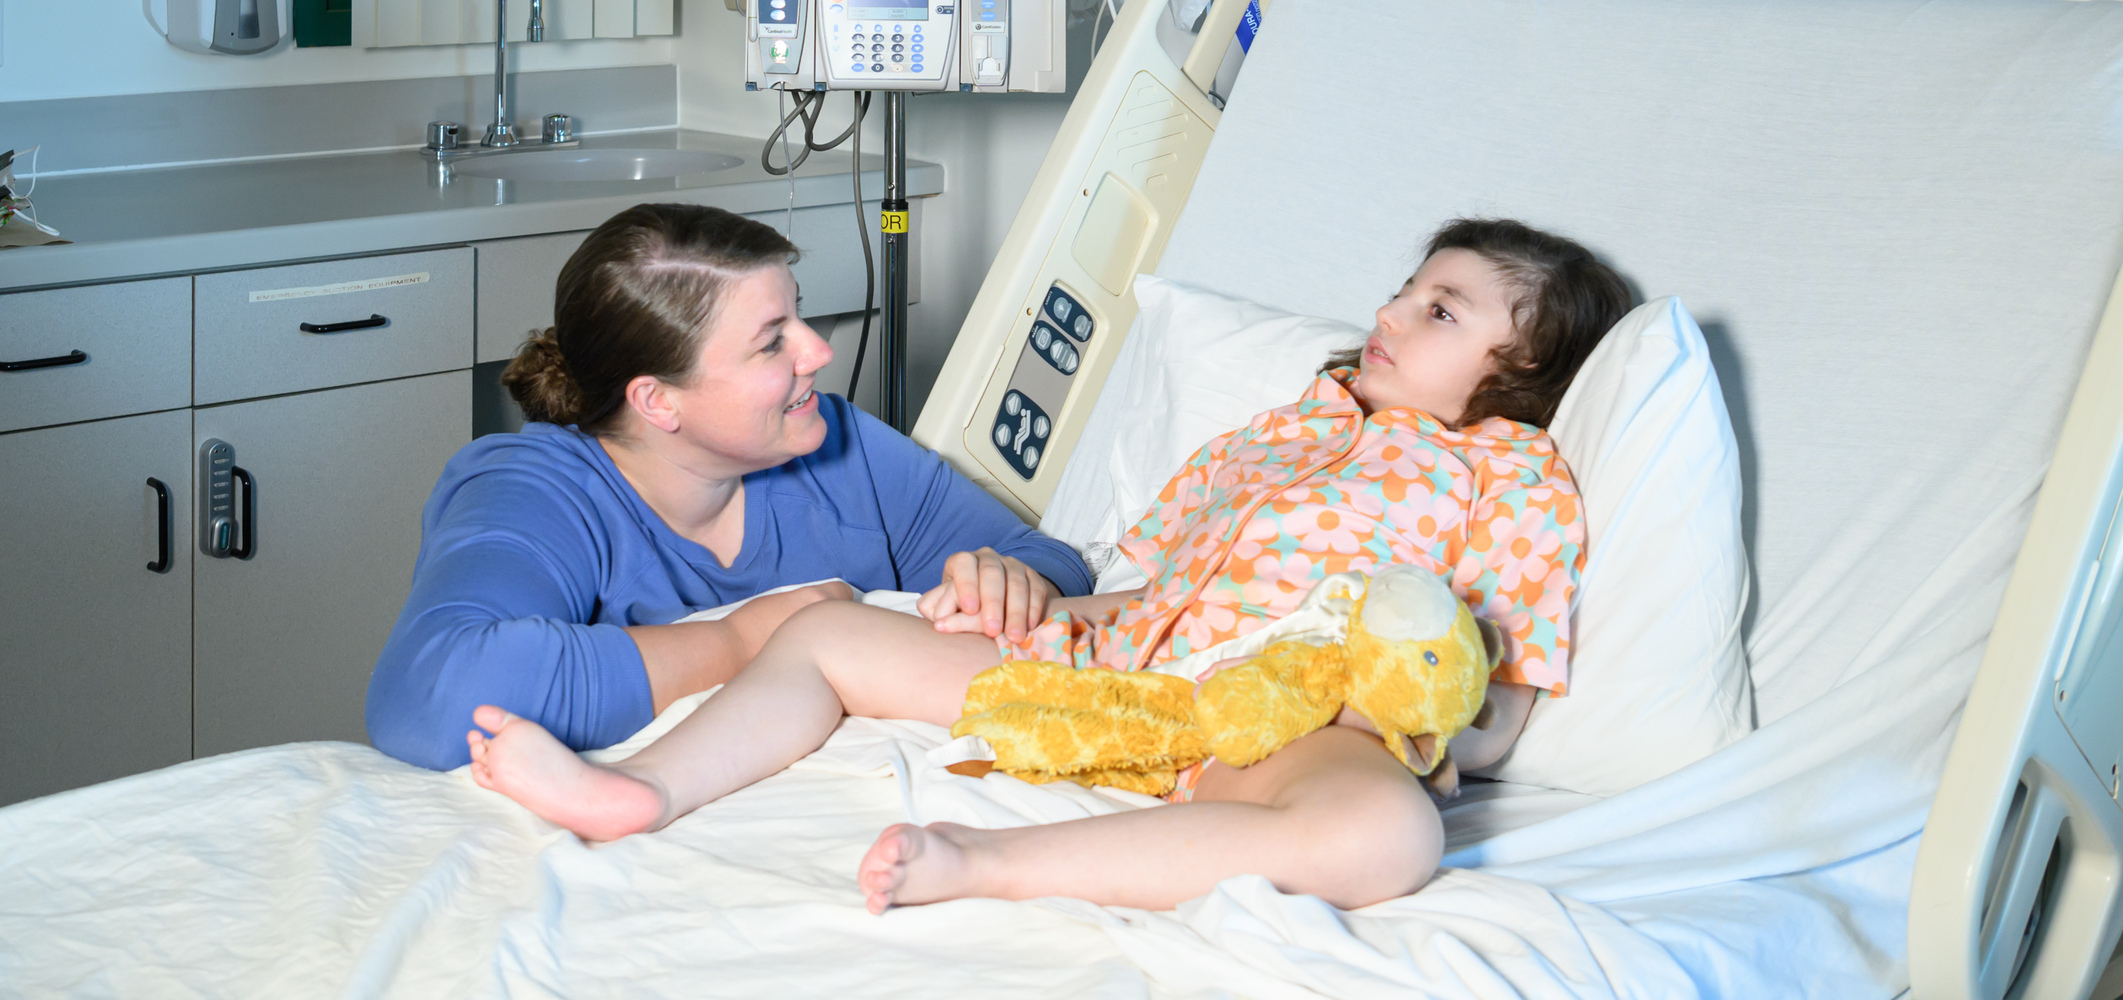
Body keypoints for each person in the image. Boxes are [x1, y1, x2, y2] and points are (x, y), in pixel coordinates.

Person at [460, 218, 1631, 913]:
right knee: (816, 631)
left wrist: (1425, 740)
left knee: (1386, 839)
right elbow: (1146, 579)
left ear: (1518, 366)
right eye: (1405, 285)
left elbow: (1503, 686)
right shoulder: (1279, 431)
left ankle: (981, 864)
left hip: (1299, 714)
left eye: (1440, 310)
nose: (1390, 307)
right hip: (1118, 675)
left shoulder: (1508, 476)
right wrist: (1027, 604)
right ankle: (643, 791)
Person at [366, 203, 1091, 771]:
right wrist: (747, 638)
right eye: (772, 341)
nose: (818, 351)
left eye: (797, 315)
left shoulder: (842, 447)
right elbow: (432, 697)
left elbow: (1051, 560)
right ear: (657, 401)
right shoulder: (535, 491)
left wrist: (1013, 579)